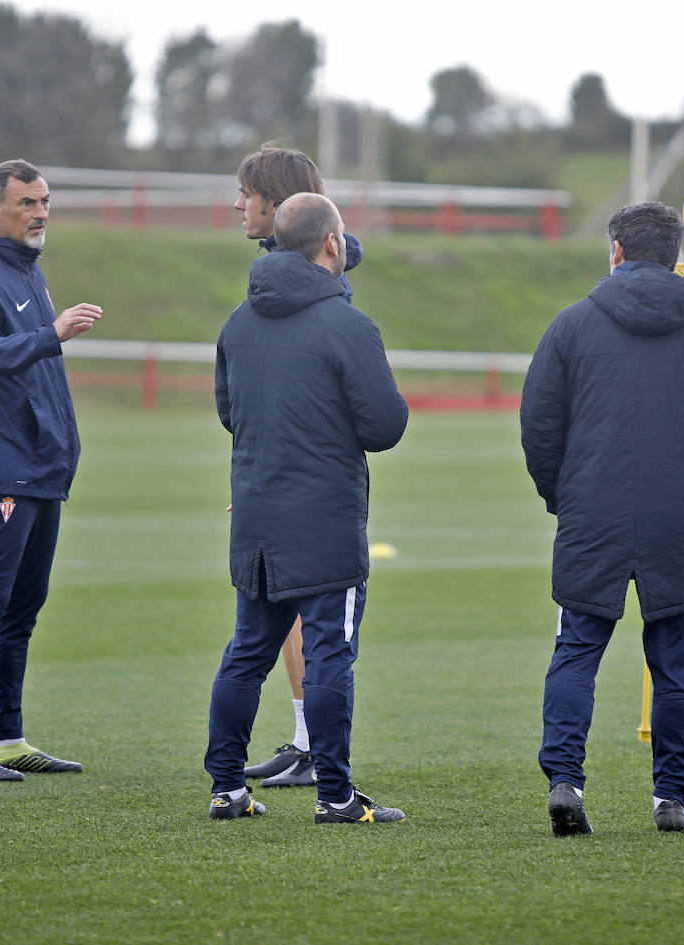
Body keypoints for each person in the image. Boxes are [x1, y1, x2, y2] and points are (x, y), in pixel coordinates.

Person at [521, 201, 684, 836]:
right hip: (678, 516)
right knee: (677, 661)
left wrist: (560, 497)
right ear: (674, 256)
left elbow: (539, 427)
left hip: (590, 513)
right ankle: (671, 798)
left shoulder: (570, 326)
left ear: (617, 251)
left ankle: (565, 780)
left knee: (576, 650)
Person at [205, 192, 408, 824]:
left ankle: (228, 789)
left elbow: (228, 414)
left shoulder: (238, 321)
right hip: (322, 521)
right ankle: (337, 796)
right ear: (331, 244)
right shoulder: (349, 325)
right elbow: (385, 425)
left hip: (257, 516)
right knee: (328, 657)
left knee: (247, 651)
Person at [0, 159, 102, 782]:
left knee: (21, 608)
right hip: (0, 472)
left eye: (45, 201)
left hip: (41, 471)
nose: (39, 212)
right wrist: (51, 335)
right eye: (27, 202)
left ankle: (6, 737)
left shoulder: (25, 272)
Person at [230, 146, 365, 790]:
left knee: (305, 623)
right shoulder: (287, 269)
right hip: (280, 476)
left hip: (305, 479)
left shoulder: (312, 271)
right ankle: (307, 740)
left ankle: (313, 751)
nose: (237, 205)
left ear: (278, 204)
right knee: (291, 625)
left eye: (246, 193)